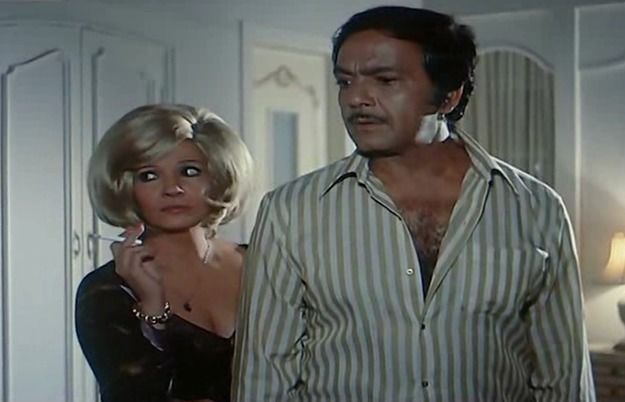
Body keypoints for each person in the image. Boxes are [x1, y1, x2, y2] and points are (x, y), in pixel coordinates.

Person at [232, 6, 595, 402]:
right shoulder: (290, 211)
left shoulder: (536, 209)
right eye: (345, 81)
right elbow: (263, 378)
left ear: (448, 95)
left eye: (385, 80)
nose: (356, 98)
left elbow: (563, 378)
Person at [76, 104, 253, 402]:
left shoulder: (262, 264)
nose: (172, 188)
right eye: (149, 175)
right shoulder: (106, 292)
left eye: (189, 171)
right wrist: (153, 311)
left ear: (218, 177)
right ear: (125, 187)